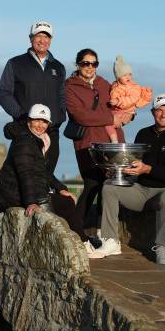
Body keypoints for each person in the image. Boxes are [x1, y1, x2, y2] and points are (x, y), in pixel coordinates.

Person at [91, 94, 165, 264]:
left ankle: (163, 247)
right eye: (159, 110)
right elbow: (134, 164)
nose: (163, 114)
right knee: (109, 187)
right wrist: (118, 170)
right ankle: (111, 241)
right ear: (153, 112)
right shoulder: (143, 134)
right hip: (141, 191)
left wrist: (148, 169)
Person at [0, 104, 98, 250]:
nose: (41, 125)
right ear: (29, 121)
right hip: (12, 197)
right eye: (37, 120)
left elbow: (42, 171)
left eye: (44, 122)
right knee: (65, 204)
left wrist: (61, 188)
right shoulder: (25, 141)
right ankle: (82, 244)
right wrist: (32, 202)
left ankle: (80, 242)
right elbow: (25, 174)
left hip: (19, 193)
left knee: (65, 200)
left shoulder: (36, 139)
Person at [65, 49, 132, 230]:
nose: (90, 67)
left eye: (94, 63)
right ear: (78, 64)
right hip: (88, 142)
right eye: (86, 63)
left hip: (113, 141)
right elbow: (81, 116)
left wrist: (128, 116)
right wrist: (111, 119)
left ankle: (106, 234)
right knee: (92, 183)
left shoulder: (104, 83)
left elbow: (119, 103)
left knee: (111, 186)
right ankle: (75, 230)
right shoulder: (70, 86)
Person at [0, 20, 66, 173]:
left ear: (51, 40)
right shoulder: (15, 63)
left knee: (47, 175)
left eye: (46, 36)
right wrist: (21, 115)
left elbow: (62, 95)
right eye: (38, 36)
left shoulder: (58, 67)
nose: (42, 40)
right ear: (31, 38)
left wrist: (60, 116)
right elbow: (4, 93)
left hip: (52, 129)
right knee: (24, 174)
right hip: (26, 129)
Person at [105, 55, 153, 143]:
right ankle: (114, 140)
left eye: (129, 74)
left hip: (126, 112)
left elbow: (132, 99)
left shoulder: (133, 87)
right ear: (118, 77)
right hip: (117, 110)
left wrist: (118, 101)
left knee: (108, 123)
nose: (128, 77)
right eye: (124, 75)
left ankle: (114, 141)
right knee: (106, 121)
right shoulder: (115, 85)